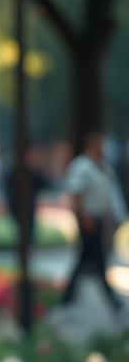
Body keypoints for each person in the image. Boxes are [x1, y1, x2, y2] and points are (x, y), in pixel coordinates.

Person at [60, 132, 127, 314]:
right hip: (87, 219)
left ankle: (68, 298)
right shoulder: (82, 166)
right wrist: (84, 218)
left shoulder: (103, 168)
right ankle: (111, 301)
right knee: (95, 258)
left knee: (88, 259)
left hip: (98, 219)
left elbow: (111, 196)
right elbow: (75, 193)